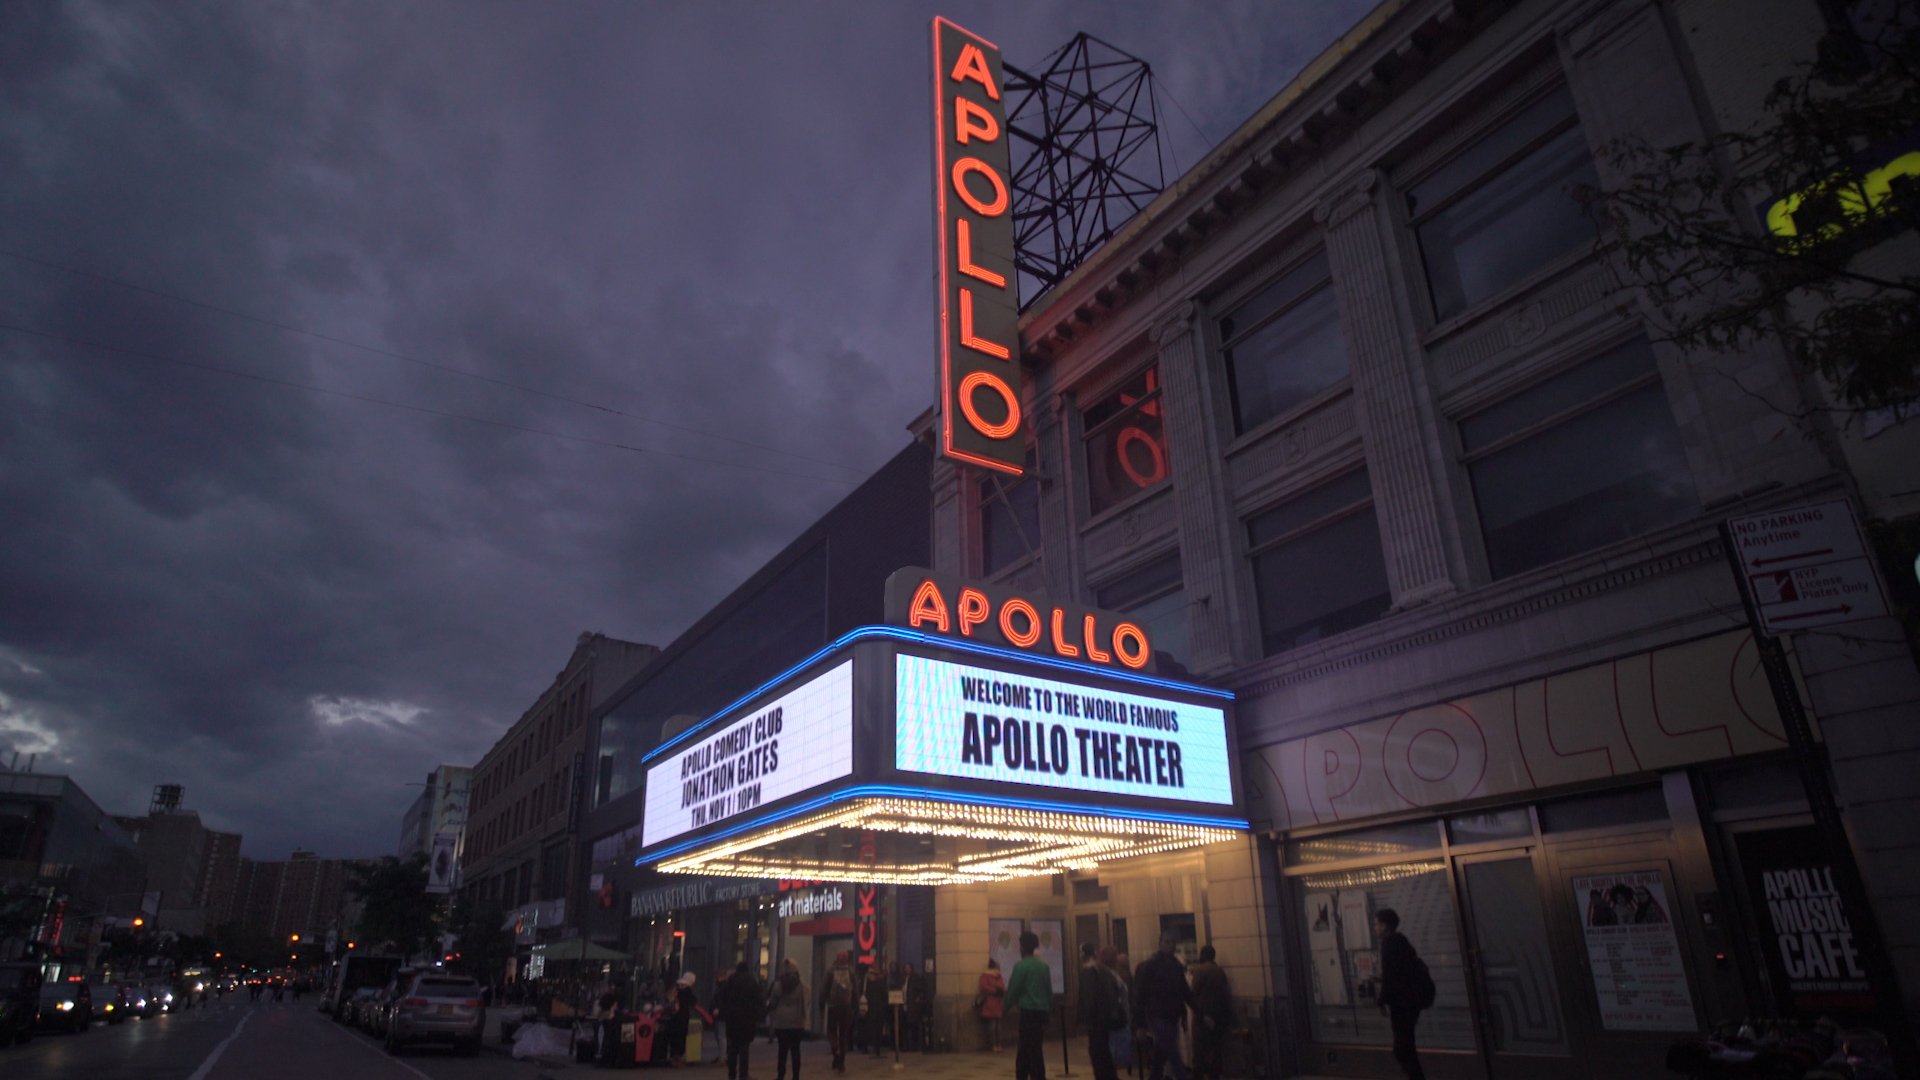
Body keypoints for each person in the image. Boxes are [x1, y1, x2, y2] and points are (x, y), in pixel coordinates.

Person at [1374, 908, 1426, 1080]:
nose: (1375, 928)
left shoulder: (1390, 944)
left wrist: (1381, 1001)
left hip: (1402, 1003)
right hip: (1410, 1001)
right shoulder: (1401, 941)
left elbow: (1391, 976)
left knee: (1402, 1048)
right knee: (1406, 1046)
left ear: (1385, 925)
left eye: (1377, 924)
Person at [1133, 932, 1191, 1080]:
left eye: (1172, 942)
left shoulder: (1176, 966)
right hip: (1157, 1016)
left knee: (1161, 1056)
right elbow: (1140, 994)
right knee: (1173, 1053)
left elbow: (1184, 992)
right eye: (1167, 942)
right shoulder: (1151, 965)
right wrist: (1140, 1024)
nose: (1170, 945)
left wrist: (1187, 1013)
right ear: (1160, 944)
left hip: (1171, 1016)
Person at [1006, 930, 1053, 1080]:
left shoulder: (1021, 966)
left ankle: (1026, 1076)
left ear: (1022, 947)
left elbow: (1014, 989)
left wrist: (1004, 1008)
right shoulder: (1043, 966)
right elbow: (1048, 990)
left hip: (1027, 1012)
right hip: (1041, 1012)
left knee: (1026, 1049)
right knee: (1035, 1047)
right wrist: (1050, 1010)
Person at [1078, 944, 1123, 1080]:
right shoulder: (1110, 973)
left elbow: (1088, 998)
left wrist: (1085, 1019)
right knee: (1106, 1058)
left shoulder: (1089, 971)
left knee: (1099, 1057)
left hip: (1097, 1022)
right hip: (1108, 1020)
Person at [1186, 947, 1232, 1080]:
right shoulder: (1220, 972)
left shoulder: (1200, 971)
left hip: (1202, 1015)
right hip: (1219, 1015)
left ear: (1202, 956)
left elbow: (1193, 993)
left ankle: (1198, 1076)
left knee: (1199, 1051)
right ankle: (1214, 1075)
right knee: (1216, 1049)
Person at [719, 961, 764, 1080]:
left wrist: (724, 1014)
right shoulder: (751, 982)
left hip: (732, 1020)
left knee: (732, 1049)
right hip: (747, 1020)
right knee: (744, 1048)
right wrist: (757, 1015)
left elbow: (723, 999)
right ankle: (743, 1074)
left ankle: (731, 1073)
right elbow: (759, 1000)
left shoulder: (730, 982)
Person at [767, 959, 809, 1080]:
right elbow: (807, 998)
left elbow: (773, 1001)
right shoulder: (801, 985)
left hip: (782, 1022)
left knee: (782, 1051)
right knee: (796, 1051)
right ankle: (796, 1076)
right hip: (797, 1022)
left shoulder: (778, 984)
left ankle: (781, 1075)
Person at [824, 952, 855, 1073]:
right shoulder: (851, 971)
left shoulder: (831, 970)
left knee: (832, 1032)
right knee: (843, 1034)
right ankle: (842, 1061)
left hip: (833, 1007)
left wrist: (822, 1002)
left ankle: (835, 1052)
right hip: (846, 1007)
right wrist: (855, 1005)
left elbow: (825, 988)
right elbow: (855, 989)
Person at [665, 972, 698, 1067]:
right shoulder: (687, 990)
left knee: (674, 1038)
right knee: (681, 1037)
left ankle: (673, 1058)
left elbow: (668, 999)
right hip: (682, 1017)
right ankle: (678, 1059)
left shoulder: (675, 989)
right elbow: (693, 1001)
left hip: (673, 1016)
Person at [976, 957, 1005, 1051]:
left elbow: (984, 986)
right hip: (996, 1002)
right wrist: (996, 989)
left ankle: (994, 1045)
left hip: (990, 1002)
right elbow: (1001, 986)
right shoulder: (998, 976)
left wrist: (992, 989)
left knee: (993, 1025)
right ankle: (998, 1044)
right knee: (997, 1025)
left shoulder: (985, 976)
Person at [901, 962, 928, 1051]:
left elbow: (921, 990)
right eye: (906, 968)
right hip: (904, 1005)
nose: (907, 969)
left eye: (909, 968)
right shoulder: (904, 978)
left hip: (913, 1006)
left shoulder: (915, 978)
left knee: (914, 1026)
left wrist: (918, 998)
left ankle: (914, 1046)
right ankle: (906, 1046)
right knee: (905, 1026)